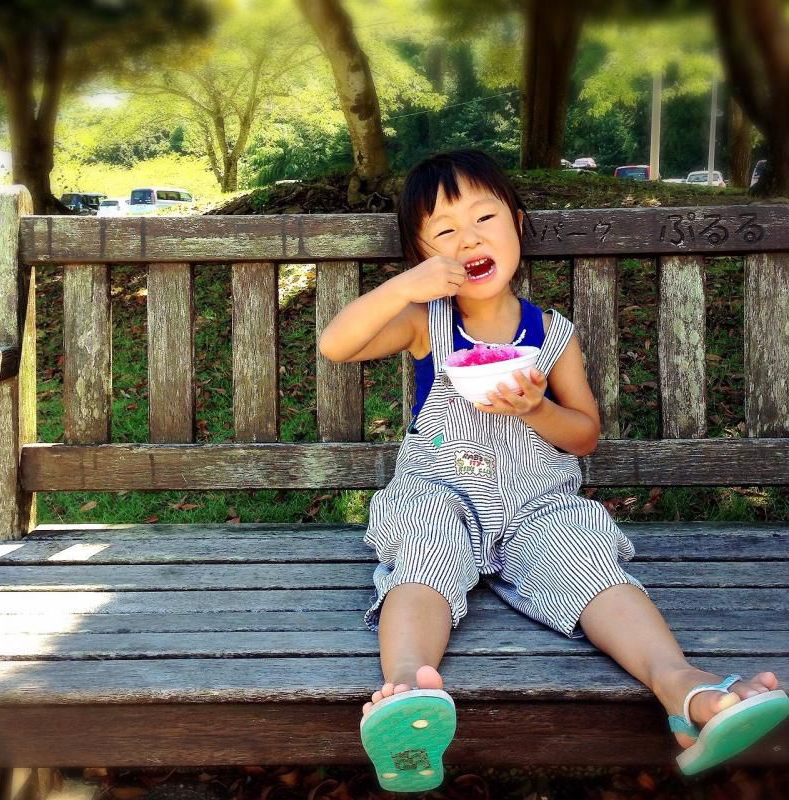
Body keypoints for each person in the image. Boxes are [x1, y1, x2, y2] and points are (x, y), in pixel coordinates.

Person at [318, 149, 788, 793]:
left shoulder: (553, 334)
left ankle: (686, 691)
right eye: (445, 231)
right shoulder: (426, 322)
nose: (470, 237)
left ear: (515, 223)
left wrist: (537, 407)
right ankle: (405, 694)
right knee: (424, 549)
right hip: (442, 491)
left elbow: (584, 433)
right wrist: (407, 286)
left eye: (485, 216)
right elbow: (335, 345)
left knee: (590, 563)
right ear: (424, 254)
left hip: (538, 505)